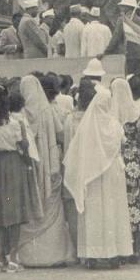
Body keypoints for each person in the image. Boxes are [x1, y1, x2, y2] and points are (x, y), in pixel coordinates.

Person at [64, 85, 133, 269]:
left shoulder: (86, 126)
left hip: (92, 173)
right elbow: (123, 144)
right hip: (113, 173)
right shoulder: (114, 124)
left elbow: (76, 152)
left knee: (94, 212)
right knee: (113, 210)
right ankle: (114, 254)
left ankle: (91, 254)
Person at [14, 76, 76, 267]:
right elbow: (60, 134)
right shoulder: (47, 111)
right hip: (50, 166)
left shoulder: (21, 115)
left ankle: (31, 256)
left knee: (33, 205)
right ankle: (54, 254)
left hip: (30, 167)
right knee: (52, 207)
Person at [0, 84, 38, 273]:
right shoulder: (16, 123)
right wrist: (28, 162)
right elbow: (24, 146)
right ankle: (13, 256)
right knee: (14, 211)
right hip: (13, 164)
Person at [111, 77, 140, 262]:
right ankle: (138, 246)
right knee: (137, 201)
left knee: (121, 201)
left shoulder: (112, 113)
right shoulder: (139, 111)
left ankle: (122, 245)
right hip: (135, 157)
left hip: (119, 157)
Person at [60, 78, 97, 256]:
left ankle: (77, 251)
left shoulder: (69, 120)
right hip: (91, 168)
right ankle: (90, 249)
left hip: (72, 167)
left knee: (73, 209)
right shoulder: (96, 121)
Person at [105, 0, 140, 76]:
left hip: (129, 54)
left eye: (123, 6)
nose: (121, 8)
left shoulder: (122, 20)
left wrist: (106, 52)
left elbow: (116, 37)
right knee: (138, 78)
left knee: (129, 77)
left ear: (128, 7)